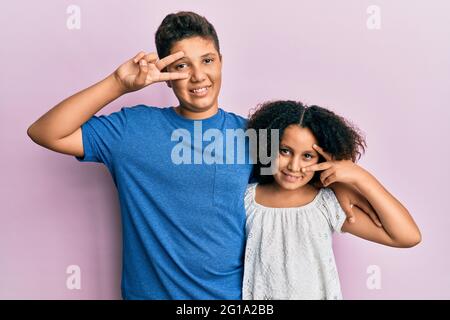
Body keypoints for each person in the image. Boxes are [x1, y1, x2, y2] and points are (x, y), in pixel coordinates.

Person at [27, 11, 380, 299]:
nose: (198, 76)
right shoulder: (130, 131)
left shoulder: (253, 136)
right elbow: (45, 132)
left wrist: (350, 183)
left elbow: (304, 176)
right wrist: (118, 84)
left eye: (207, 60)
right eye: (182, 66)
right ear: (165, 75)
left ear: (221, 62)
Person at [243, 100, 422, 300]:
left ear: (323, 159)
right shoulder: (246, 200)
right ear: (269, 146)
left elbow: (408, 236)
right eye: (285, 151)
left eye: (308, 156)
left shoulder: (326, 204)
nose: (294, 166)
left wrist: (360, 177)